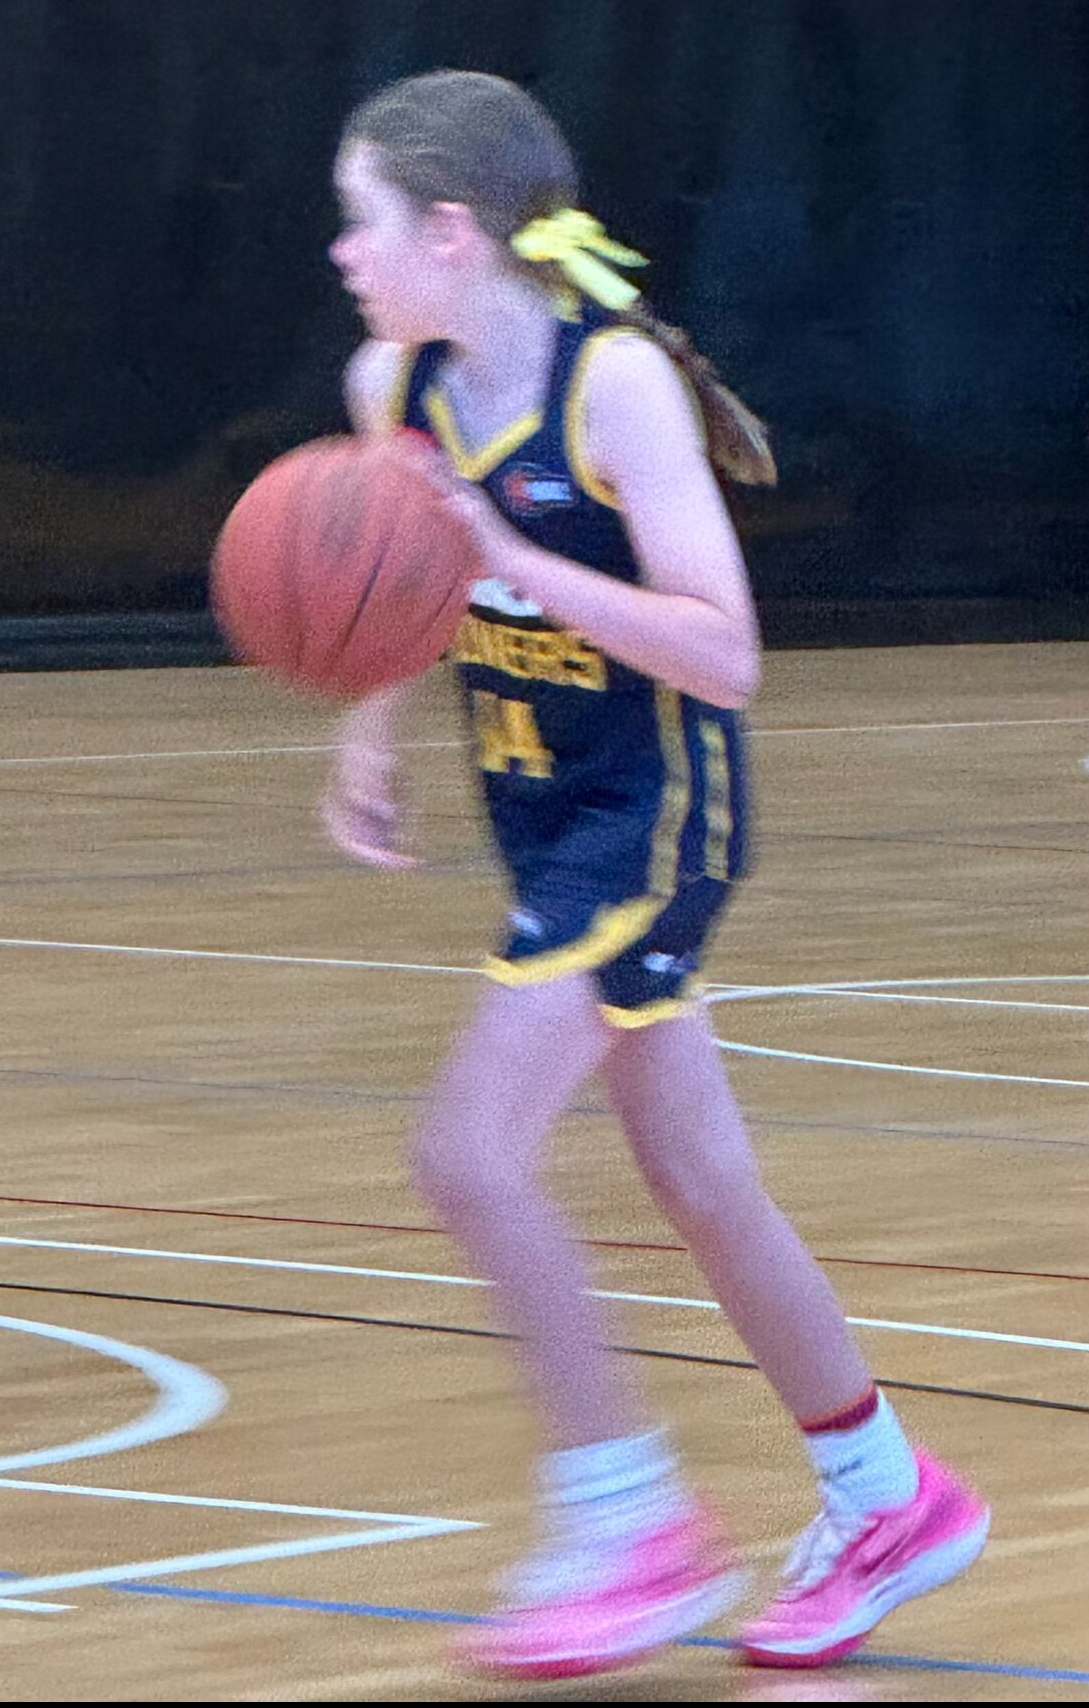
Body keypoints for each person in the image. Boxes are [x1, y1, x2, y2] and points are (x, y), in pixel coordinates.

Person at [323, 69, 989, 1679]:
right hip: (537, 808)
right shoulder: (390, 385)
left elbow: (724, 653)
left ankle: (628, 1520)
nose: (341, 255)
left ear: (452, 231)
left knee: (466, 1154)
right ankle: (884, 1497)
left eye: (360, 223)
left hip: (654, 808)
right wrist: (365, 728)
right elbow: (389, 580)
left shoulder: (610, 387)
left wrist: (515, 560)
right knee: (697, 1180)